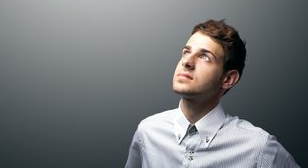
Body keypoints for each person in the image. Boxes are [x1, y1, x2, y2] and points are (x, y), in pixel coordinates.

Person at [125, 19, 300, 167]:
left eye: (204, 57)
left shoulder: (259, 148)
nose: (187, 62)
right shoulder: (147, 132)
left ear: (228, 79)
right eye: (186, 52)